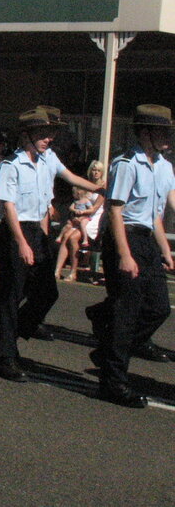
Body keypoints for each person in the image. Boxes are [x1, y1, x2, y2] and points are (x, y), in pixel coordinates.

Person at [0, 108, 103, 382]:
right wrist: (21, 244)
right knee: (11, 296)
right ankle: (7, 357)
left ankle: (9, 334)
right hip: (17, 231)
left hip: (38, 231)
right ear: (26, 135)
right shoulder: (11, 165)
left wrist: (100, 189)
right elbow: (8, 206)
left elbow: (72, 178)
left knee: (47, 292)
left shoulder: (48, 158)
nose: (49, 139)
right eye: (42, 134)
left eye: (50, 134)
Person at [86, 105, 174, 408]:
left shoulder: (164, 166)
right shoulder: (126, 163)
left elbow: (158, 214)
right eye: (162, 131)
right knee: (127, 314)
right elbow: (115, 210)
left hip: (147, 240)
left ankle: (109, 347)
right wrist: (124, 254)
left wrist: (164, 249)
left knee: (159, 308)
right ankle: (113, 383)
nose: (167, 137)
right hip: (125, 239)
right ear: (146, 132)